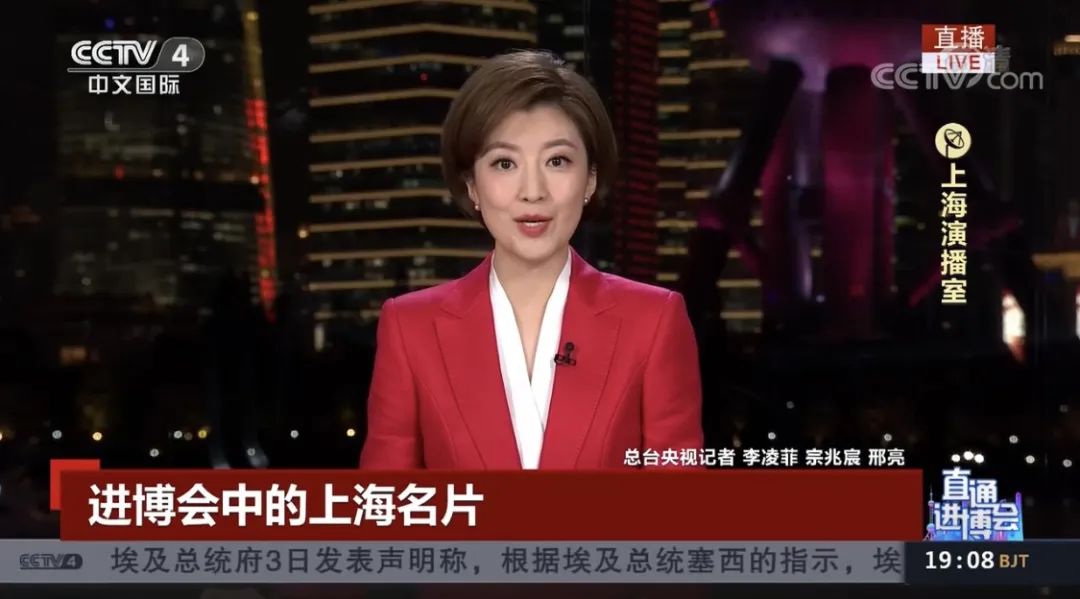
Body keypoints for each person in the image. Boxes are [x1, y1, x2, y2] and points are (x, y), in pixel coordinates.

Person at [359, 50, 704, 470]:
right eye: (504, 163)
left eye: (557, 161)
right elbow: (389, 503)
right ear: (472, 185)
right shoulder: (409, 327)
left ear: (590, 179)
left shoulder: (654, 322)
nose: (533, 191)